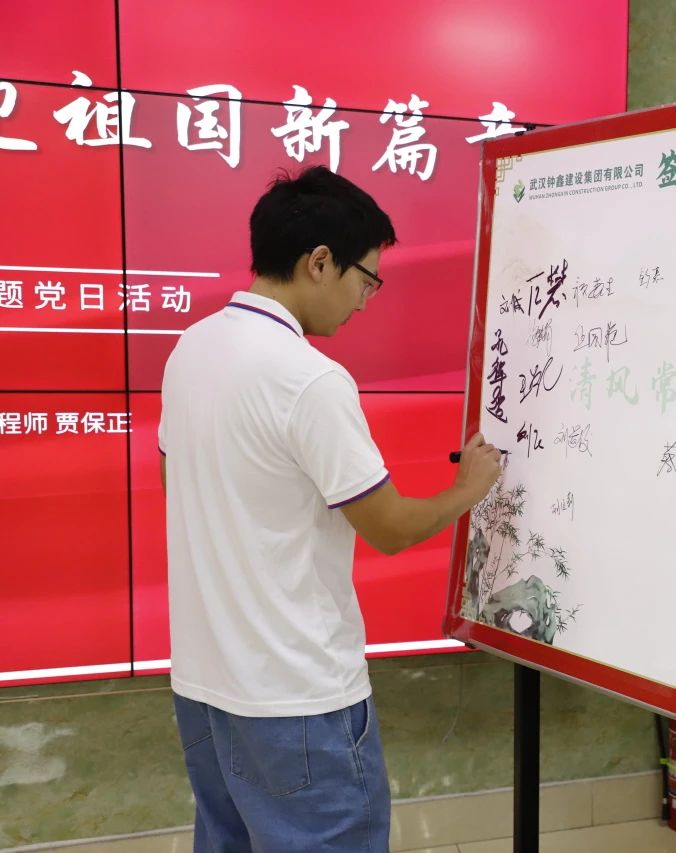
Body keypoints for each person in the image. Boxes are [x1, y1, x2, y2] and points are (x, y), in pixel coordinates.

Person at [158, 166, 502, 851]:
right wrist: (469, 489)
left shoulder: (191, 348)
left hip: (204, 685)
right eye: (366, 279)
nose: (365, 302)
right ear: (320, 262)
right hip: (298, 698)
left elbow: (180, 483)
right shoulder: (308, 378)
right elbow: (390, 527)